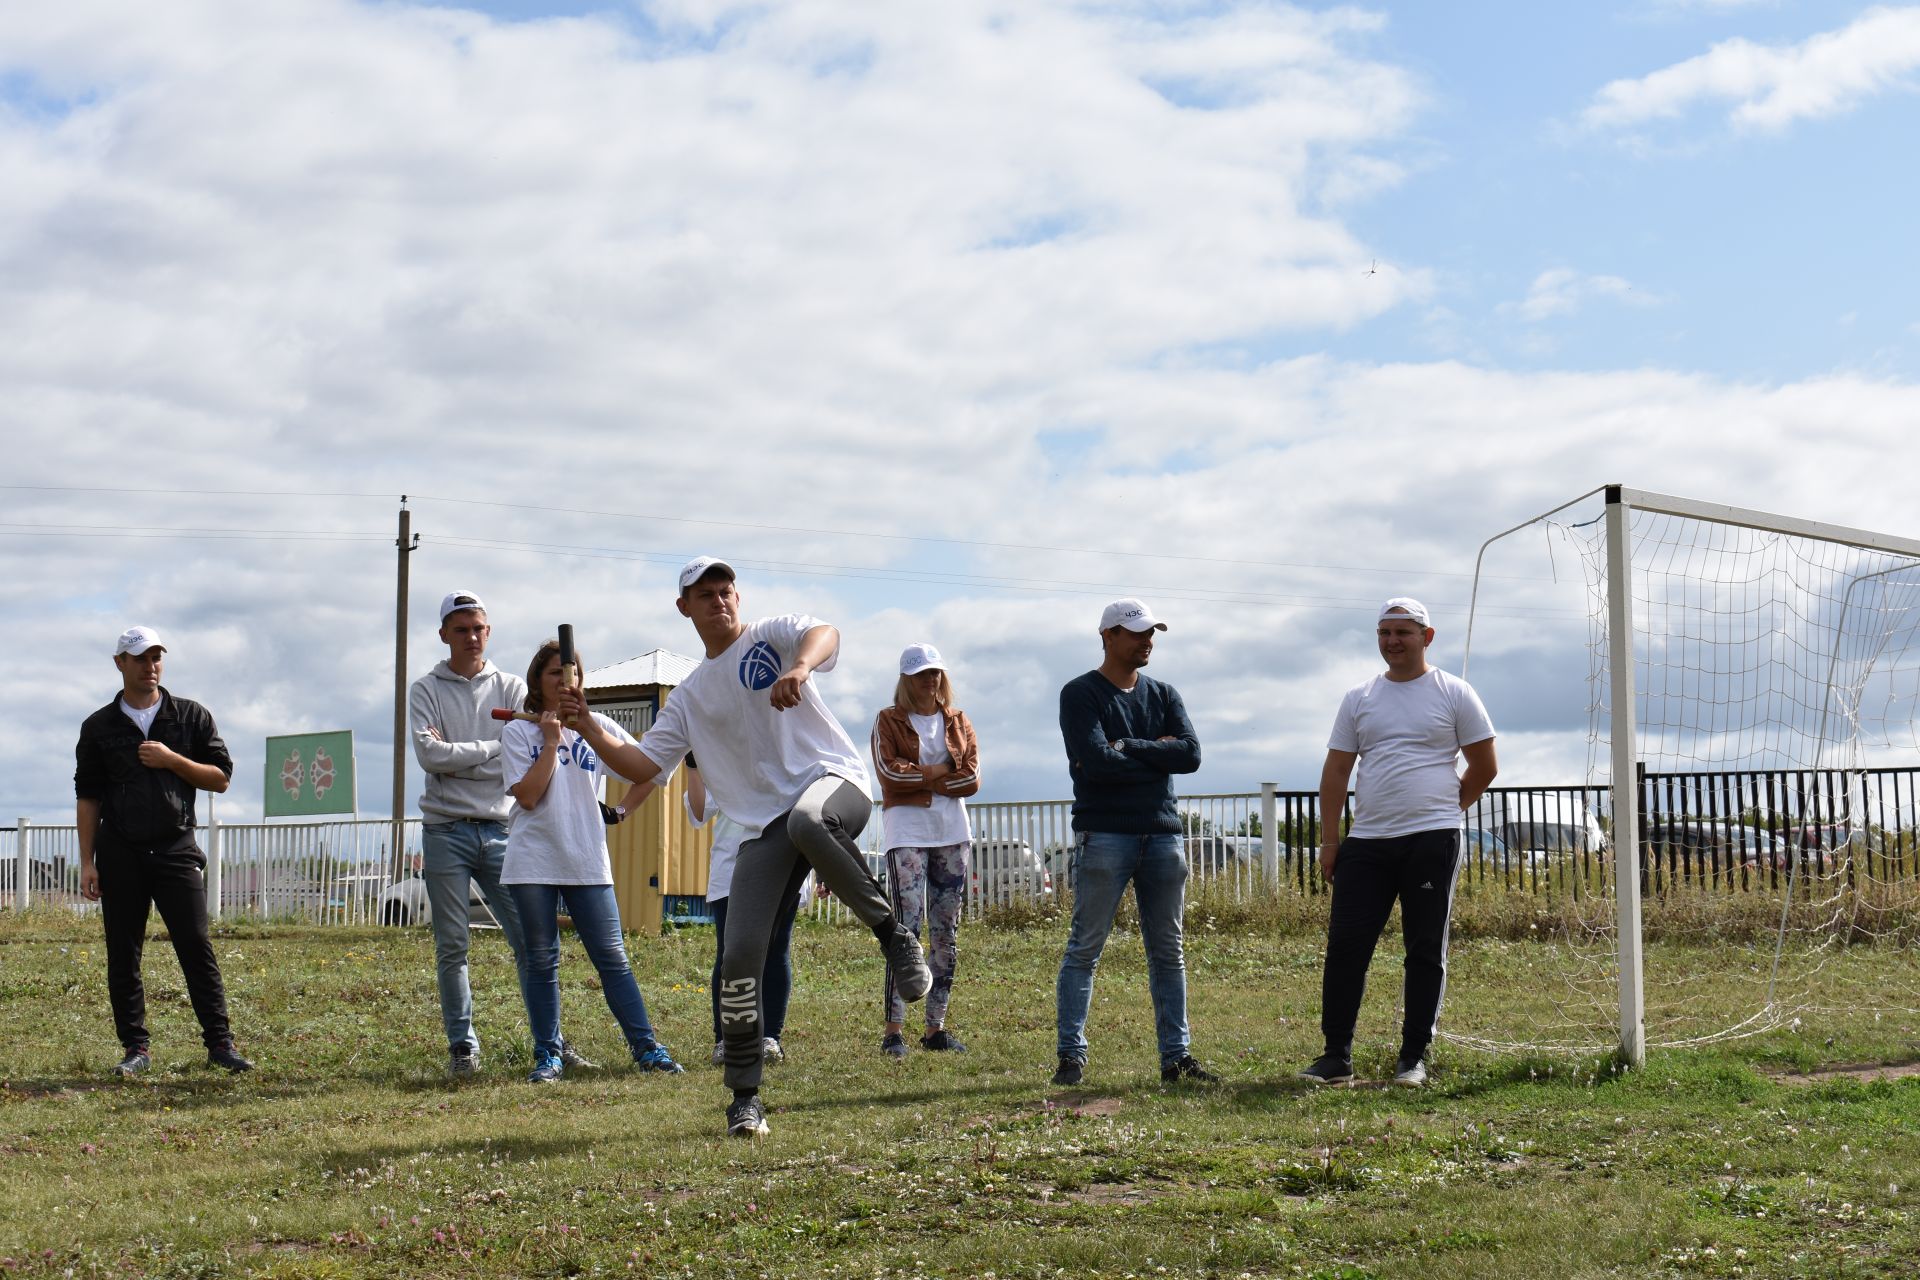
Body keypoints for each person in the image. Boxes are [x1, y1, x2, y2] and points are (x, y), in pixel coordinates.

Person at [559, 555, 931, 1139]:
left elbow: (824, 633)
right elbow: (641, 765)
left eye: (725, 589)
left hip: (833, 786)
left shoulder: (772, 636)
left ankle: (894, 938)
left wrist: (801, 668)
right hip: (765, 828)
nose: (719, 599)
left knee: (809, 820)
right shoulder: (688, 697)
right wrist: (586, 727)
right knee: (738, 957)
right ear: (684, 608)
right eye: (704, 594)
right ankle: (745, 1098)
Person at [1299, 598, 1498, 1088]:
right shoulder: (1359, 697)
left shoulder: (1455, 692)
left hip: (1432, 839)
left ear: (1426, 637)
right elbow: (1336, 772)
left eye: (1403, 632)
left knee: (1424, 947)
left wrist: (1445, 812)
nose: (1392, 641)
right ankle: (1335, 1057)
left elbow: (1485, 765)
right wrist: (1330, 842)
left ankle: (1413, 1058)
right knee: (1346, 945)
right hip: (1366, 841)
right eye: (1385, 632)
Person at [409, 590, 586, 1078]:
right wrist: (495, 747)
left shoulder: (510, 686)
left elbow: (523, 749)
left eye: (478, 628)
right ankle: (462, 1048)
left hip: (503, 828)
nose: (470, 636)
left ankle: (550, 1044)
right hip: (444, 830)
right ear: (444, 634)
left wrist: (465, 753)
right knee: (452, 945)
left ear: (489, 632)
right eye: (461, 628)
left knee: (533, 942)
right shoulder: (425, 689)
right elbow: (430, 757)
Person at [499, 639, 682, 1081]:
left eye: (572, 675)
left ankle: (648, 1050)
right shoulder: (518, 731)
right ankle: (549, 1055)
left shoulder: (597, 726)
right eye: (555, 676)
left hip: (586, 858)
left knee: (612, 957)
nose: (565, 683)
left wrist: (620, 811)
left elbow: (652, 770)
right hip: (533, 860)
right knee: (542, 959)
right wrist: (549, 741)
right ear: (536, 683)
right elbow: (526, 796)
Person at [74, 626, 252, 1075]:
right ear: (120, 664)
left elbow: (221, 778)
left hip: (176, 848)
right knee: (124, 952)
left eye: (157, 657)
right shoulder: (98, 727)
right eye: (140, 658)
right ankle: (136, 1049)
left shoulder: (191, 716)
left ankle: (221, 1045)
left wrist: (173, 759)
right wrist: (86, 861)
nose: (150, 666)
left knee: (196, 946)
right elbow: (88, 796)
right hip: (121, 853)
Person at [1053, 599, 1215, 1087]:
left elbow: (1190, 755)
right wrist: (1157, 754)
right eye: (1136, 633)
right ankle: (1071, 1057)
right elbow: (1096, 762)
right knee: (1086, 947)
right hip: (1104, 834)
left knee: (1169, 950)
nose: (1147, 641)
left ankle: (1176, 1058)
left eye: (1151, 633)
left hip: (1163, 836)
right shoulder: (1080, 694)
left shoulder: (1164, 693)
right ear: (1107, 635)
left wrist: (1132, 747)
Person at [870, 643, 980, 1057]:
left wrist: (919, 777)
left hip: (953, 833)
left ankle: (936, 1029)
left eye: (935, 673)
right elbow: (887, 773)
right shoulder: (888, 720)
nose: (929, 680)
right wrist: (939, 774)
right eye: (920, 674)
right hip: (908, 834)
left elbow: (972, 778)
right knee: (906, 932)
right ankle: (893, 1031)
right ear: (906, 680)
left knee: (946, 935)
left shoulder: (959, 720)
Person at [683, 757, 803, 1068]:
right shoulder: (721, 755)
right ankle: (725, 1040)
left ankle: (770, 1038)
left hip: (782, 867)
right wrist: (694, 766)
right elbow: (698, 812)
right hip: (730, 871)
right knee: (729, 956)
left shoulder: (788, 753)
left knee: (776, 952)